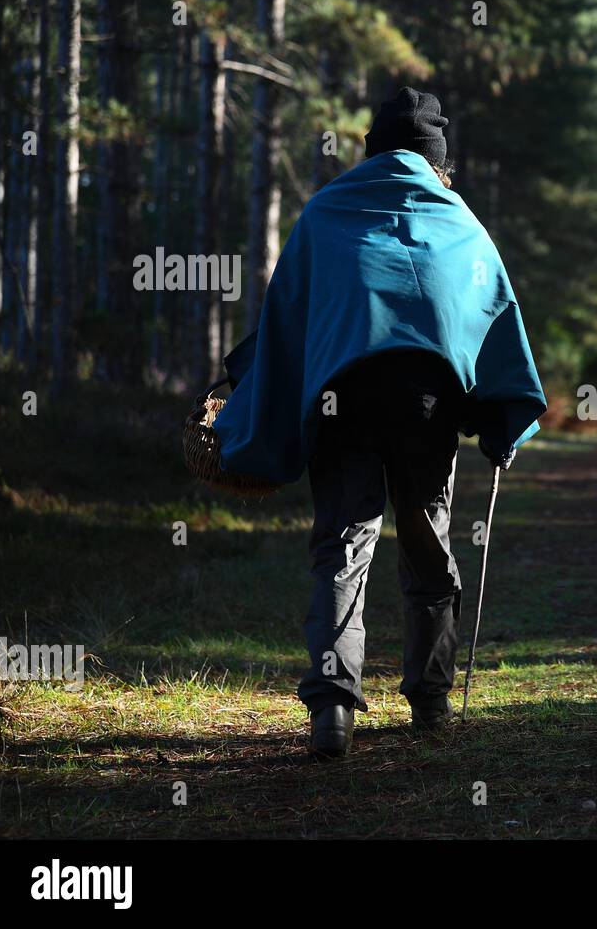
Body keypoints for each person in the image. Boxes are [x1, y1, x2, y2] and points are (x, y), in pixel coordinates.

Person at [212, 88, 547, 758]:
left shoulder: (327, 213)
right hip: (428, 405)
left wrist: (244, 380)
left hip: (344, 402)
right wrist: (497, 417)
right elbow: (489, 321)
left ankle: (333, 710)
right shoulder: (458, 221)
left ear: (373, 149)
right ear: (436, 161)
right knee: (427, 545)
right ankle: (431, 699)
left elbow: (287, 319)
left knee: (342, 547)